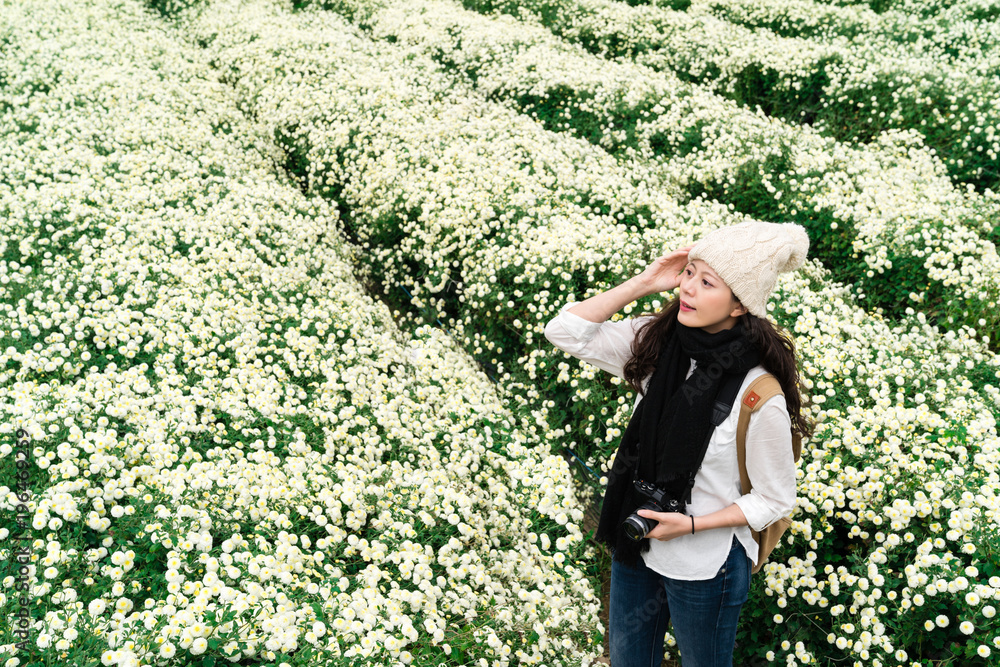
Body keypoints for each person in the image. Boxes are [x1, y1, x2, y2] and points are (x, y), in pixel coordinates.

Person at [543, 221, 814, 667]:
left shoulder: (757, 393)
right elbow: (566, 332)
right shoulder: (657, 344)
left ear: (740, 305)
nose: (687, 288)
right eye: (689, 273)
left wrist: (688, 526)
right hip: (638, 538)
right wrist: (646, 282)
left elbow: (775, 498)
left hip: (706, 565)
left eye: (707, 282)